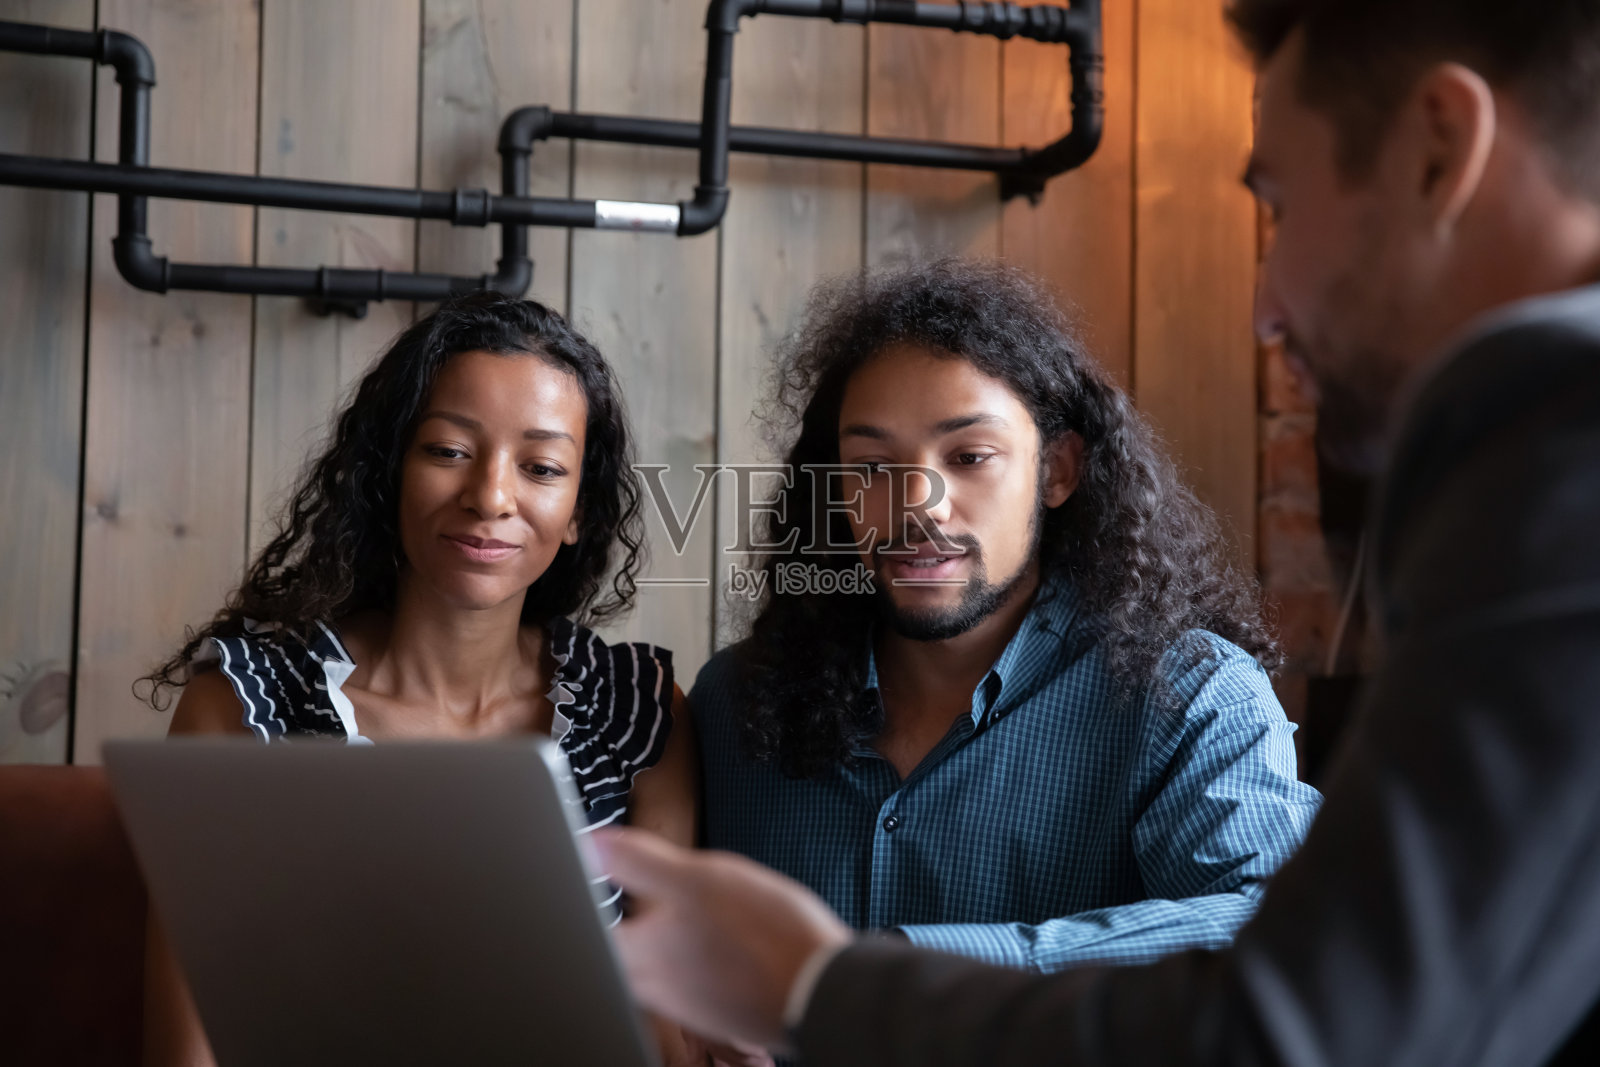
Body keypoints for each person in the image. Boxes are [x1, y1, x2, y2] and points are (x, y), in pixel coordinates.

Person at [594, 0, 1600, 1063]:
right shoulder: (738, 701)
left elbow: (1287, 1011)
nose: (1264, 305)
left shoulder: (1551, 452)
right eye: (873, 463)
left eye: (1280, 205)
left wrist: (829, 983)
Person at [694, 258, 1320, 974]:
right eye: (871, 467)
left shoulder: (1190, 696)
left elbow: (1276, 927)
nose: (917, 504)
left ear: (1058, 471)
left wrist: (915, 972)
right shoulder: (734, 704)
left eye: (968, 456)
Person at [136, 292, 701, 1066]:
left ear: (577, 512)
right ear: (389, 470)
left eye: (540, 467)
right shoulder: (243, 704)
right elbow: (187, 1038)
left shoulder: (636, 713)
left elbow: (662, 1027)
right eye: (448, 450)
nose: (491, 497)